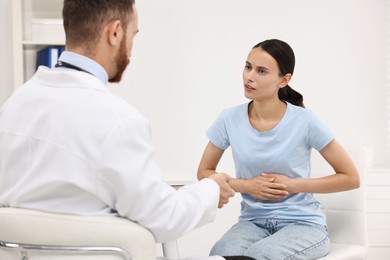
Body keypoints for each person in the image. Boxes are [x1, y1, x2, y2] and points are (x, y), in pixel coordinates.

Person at [0, 0, 236, 244]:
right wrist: (210, 189)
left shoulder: (15, 104)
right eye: (133, 34)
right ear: (114, 33)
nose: (132, 48)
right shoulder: (118, 121)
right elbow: (165, 219)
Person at [197, 39, 360, 259]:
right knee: (220, 254)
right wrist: (247, 186)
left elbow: (351, 177)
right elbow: (204, 172)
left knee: (261, 255)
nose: (249, 76)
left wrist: (292, 184)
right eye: (248, 67)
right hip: (252, 223)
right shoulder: (229, 119)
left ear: (284, 80)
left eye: (261, 71)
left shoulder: (306, 121)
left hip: (303, 225)